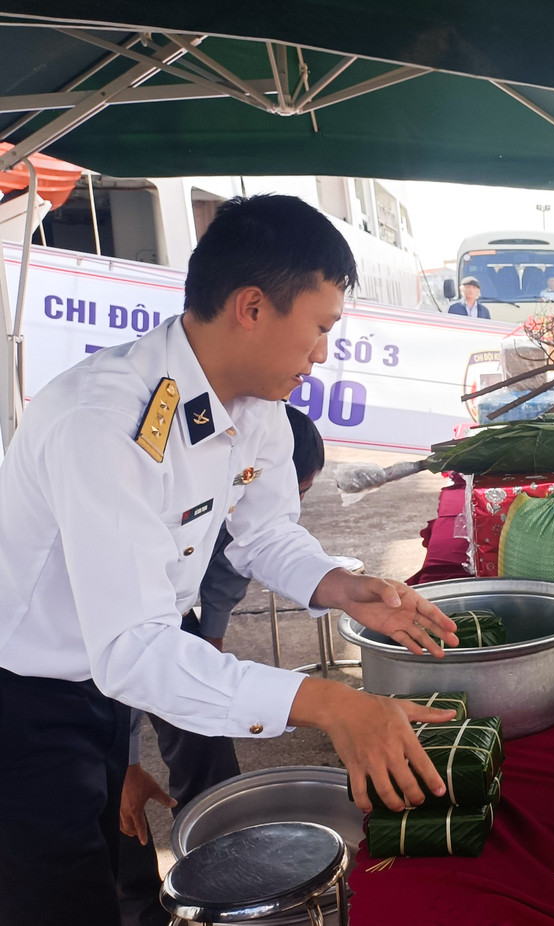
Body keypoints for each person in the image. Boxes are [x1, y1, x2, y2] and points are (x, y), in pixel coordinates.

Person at [0, 194, 461, 926]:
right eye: (319, 329)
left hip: (104, 675)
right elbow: (134, 648)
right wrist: (327, 704)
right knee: (55, 895)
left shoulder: (253, 404)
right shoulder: (107, 423)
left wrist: (340, 585)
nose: (320, 355)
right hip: (24, 694)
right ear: (251, 307)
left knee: (107, 862)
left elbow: (264, 530)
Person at [114, 404, 326, 926]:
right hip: (102, 635)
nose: (318, 356)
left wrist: (208, 649)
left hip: (168, 611)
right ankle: (139, 907)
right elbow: (125, 657)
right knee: (113, 803)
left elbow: (234, 564)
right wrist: (124, 763)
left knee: (206, 739)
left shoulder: (253, 445)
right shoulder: (138, 465)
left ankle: (222, 869)